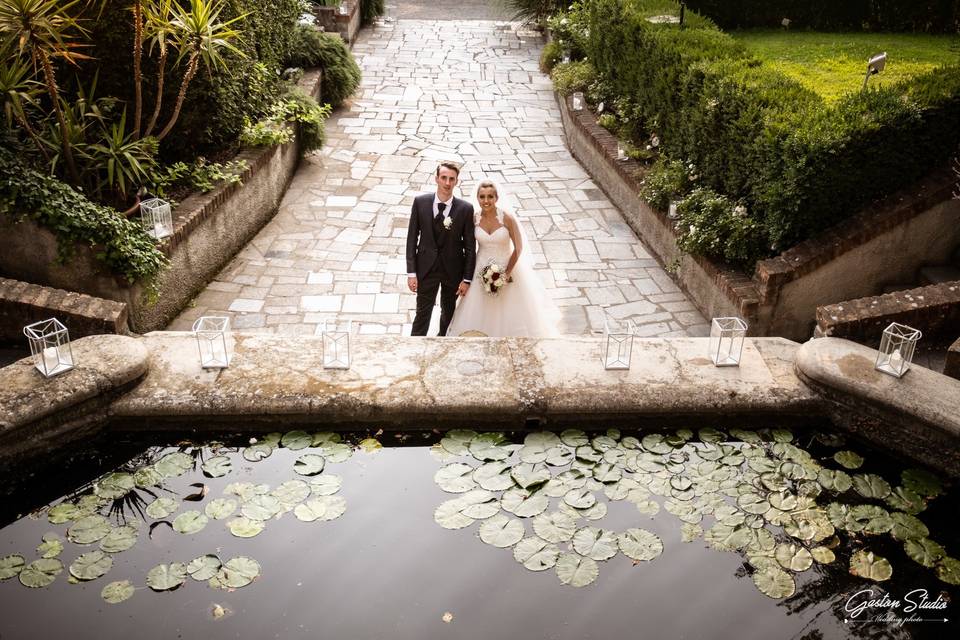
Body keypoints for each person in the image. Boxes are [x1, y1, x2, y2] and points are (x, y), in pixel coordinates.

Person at [445, 180, 561, 337]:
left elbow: (519, 248)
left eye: (490, 197)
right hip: (480, 268)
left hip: (506, 268)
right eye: (482, 197)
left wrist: (506, 273)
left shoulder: (507, 219)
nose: (486, 201)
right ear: (477, 198)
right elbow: (468, 247)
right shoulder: (474, 219)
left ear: (496, 198)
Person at [406, 162, 477, 336]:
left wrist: (467, 279)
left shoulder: (465, 209)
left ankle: (443, 343)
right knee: (422, 313)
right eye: (444, 178)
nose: (447, 183)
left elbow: (469, 247)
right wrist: (411, 273)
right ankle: (414, 346)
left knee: (448, 314)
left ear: (456, 182)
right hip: (426, 269)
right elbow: (411, 239)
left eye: (451, 179)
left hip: (452, 271)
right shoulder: (420, 202)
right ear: (436, 179)